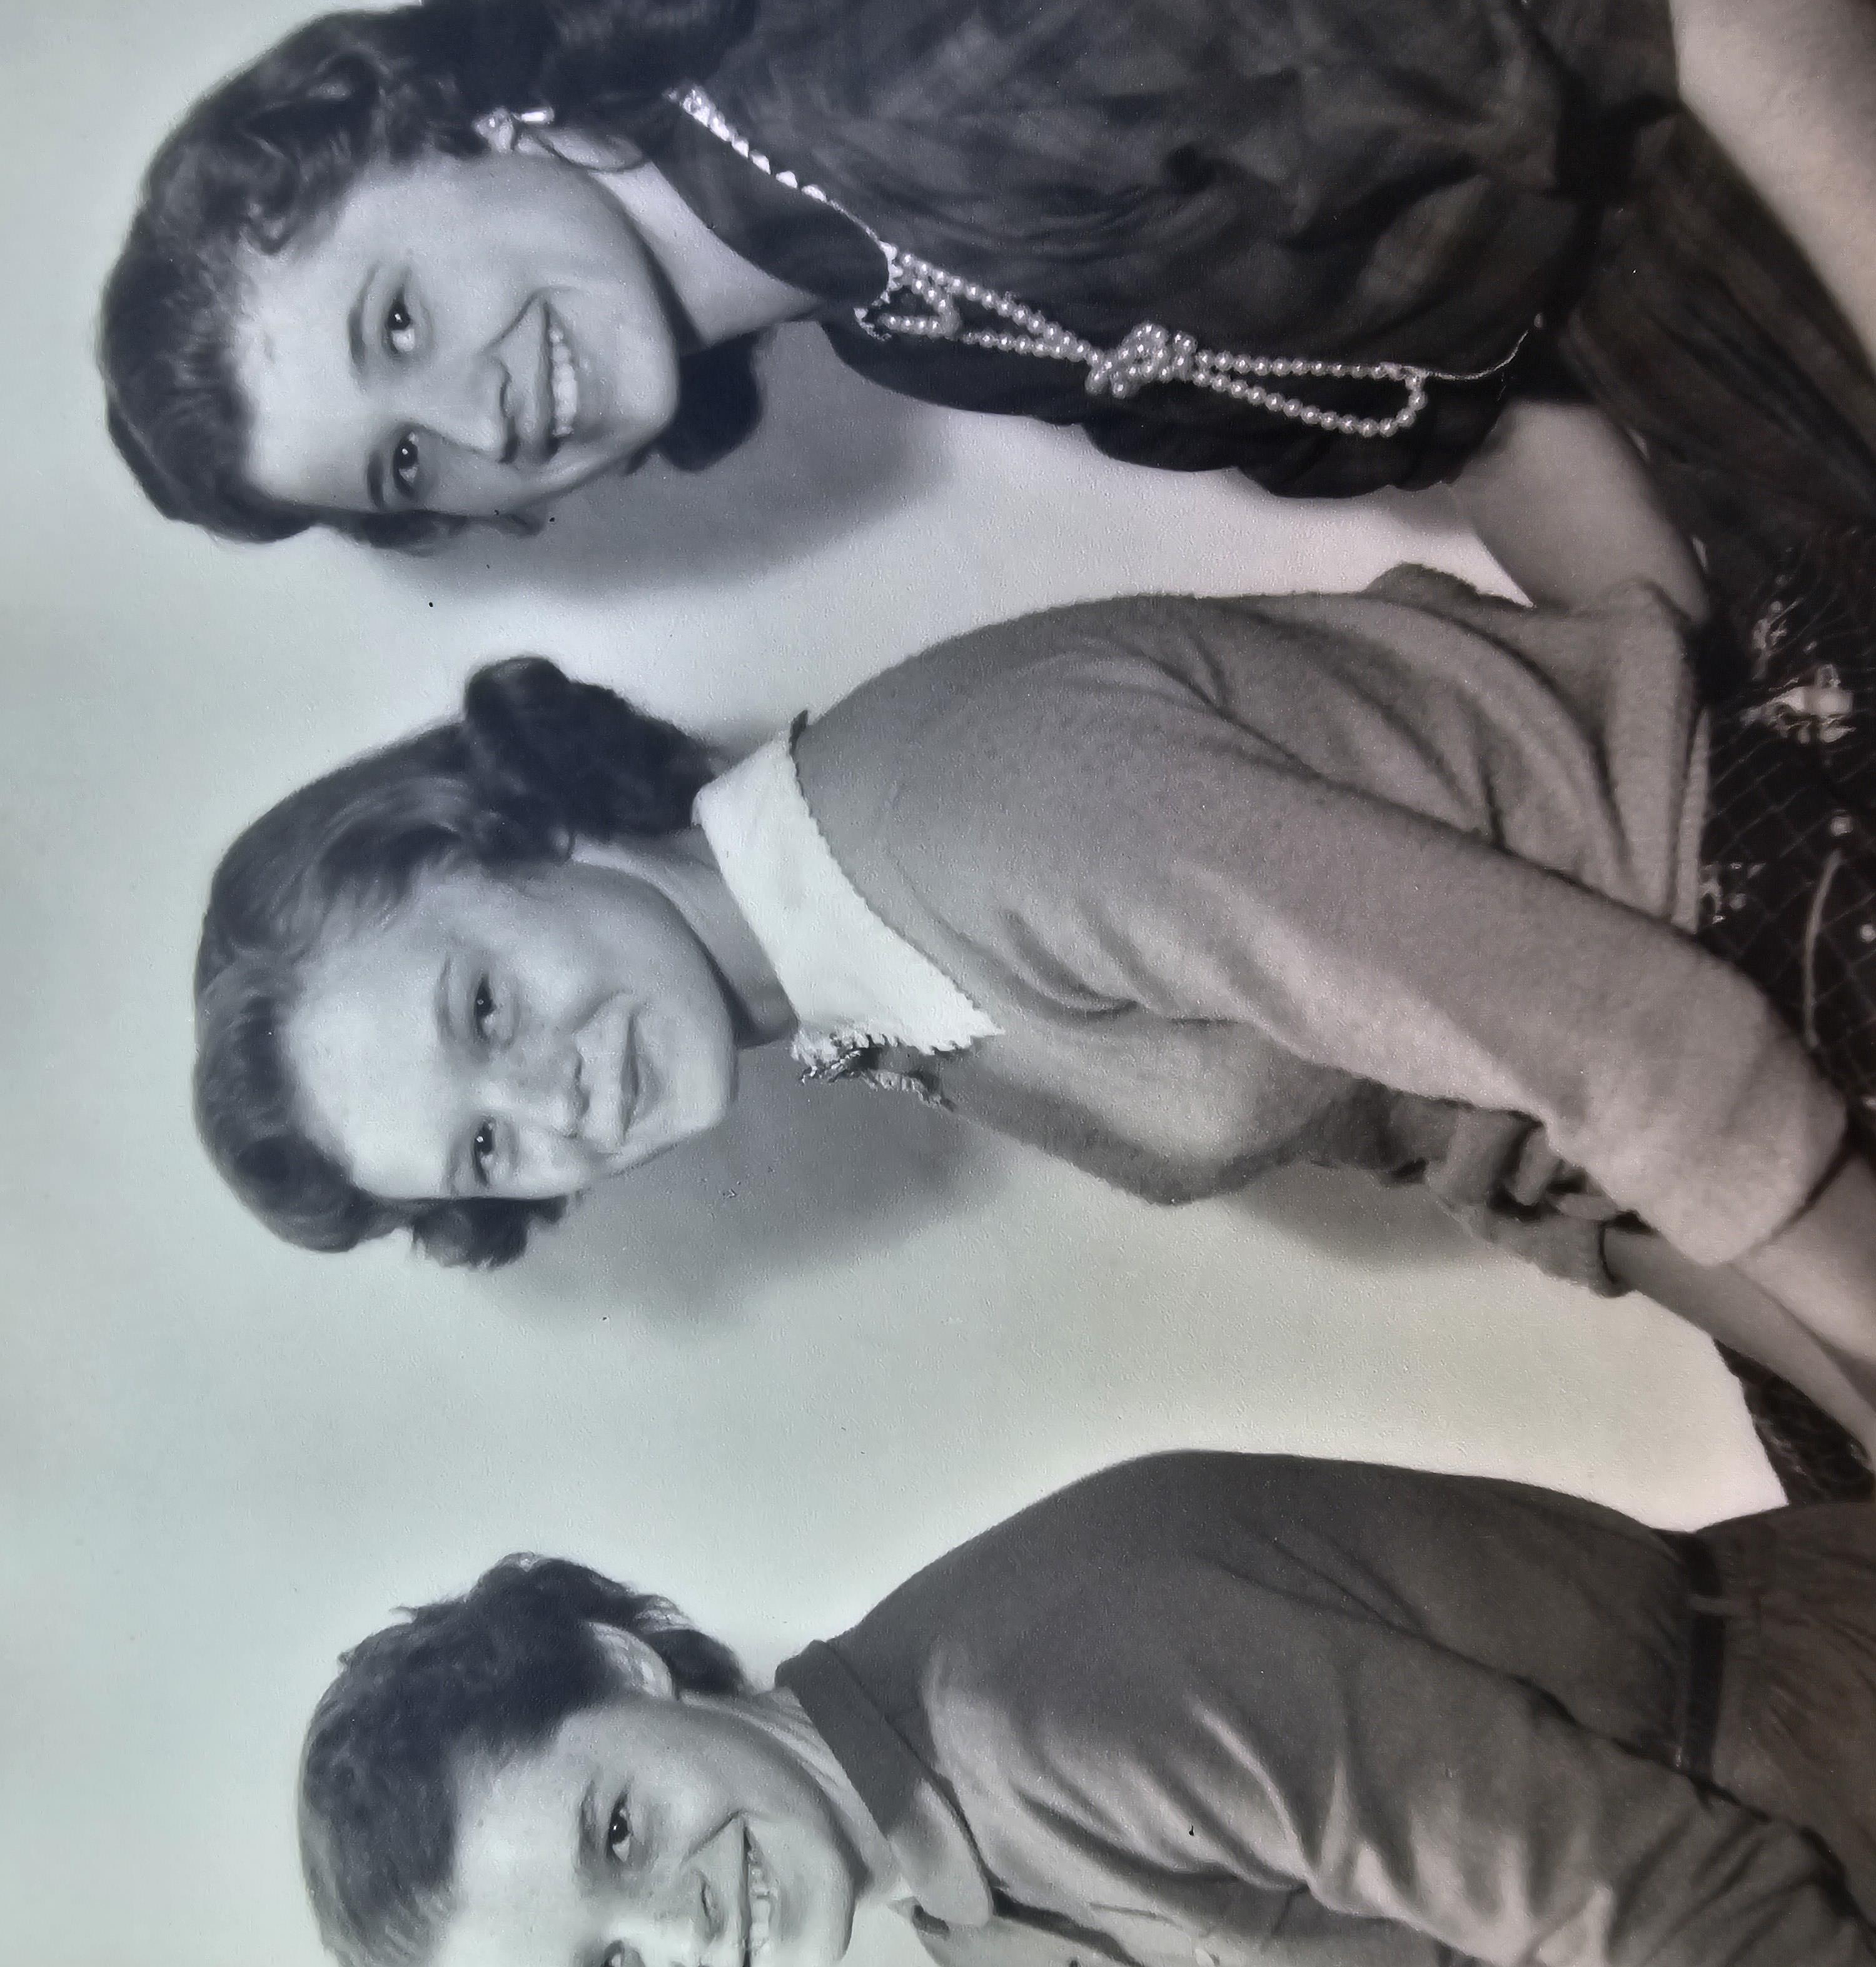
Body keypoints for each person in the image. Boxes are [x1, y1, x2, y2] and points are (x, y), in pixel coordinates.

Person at [191, 533, 1876, 1496]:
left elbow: (1622, 1038)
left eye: (481, 1007)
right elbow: (1460, 1135)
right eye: (484, 1150)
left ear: (527, 833)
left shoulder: (951, 821)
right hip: (1709, 1091)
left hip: (1781, 882)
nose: (549, 1107)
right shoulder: (857, 984)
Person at [96, 0, 1876, 619]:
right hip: (1704, 339)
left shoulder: (939, 62)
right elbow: (1478, 417)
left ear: (466, 123)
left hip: (1785, 114)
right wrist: (1695, 732)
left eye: (392, 321)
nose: (471, 423)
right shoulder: (888, 316)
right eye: (403, 467)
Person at [297, 1449, 1876, 1967]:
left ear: (631, 1671)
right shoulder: (972, 1928)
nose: (681, 1932)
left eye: (618, 1834)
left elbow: (1662, 1889)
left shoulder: (1029, 1698)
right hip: (1739, 1934)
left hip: (1807, 1746)